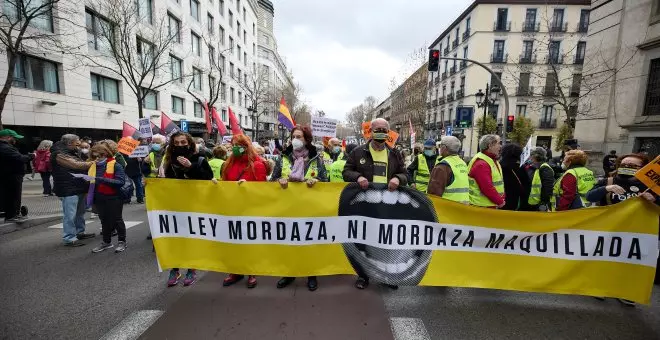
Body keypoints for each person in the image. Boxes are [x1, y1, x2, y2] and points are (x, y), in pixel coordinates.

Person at [343, 118, 407, 290]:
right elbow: (346, 172)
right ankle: (363, 276)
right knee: (364, 240)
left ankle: (387, 276)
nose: (381, 132)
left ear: (388, 133)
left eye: (384, 130)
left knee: (386, 240)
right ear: (370, 131)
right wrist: (358, 177)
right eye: (377, 129)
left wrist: (397, 178)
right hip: (365, 204)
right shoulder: (358, 152)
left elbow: (405, 175)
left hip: (387, 205)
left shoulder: (394, 153)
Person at [586, 153, 657, 306]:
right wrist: (606, 188)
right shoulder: (609, 180)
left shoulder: (650, 186)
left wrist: (654, 200)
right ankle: (600, 287)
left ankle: (625, 291)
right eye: (624, 165)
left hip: (637, 232)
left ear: (643, 168)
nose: (627, 168)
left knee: (629, 263)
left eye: (633, 166)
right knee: (604, 258)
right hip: (608, 230)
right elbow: (589, 196)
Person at [271, 126, 328, 291]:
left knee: (310, 243)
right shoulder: (283, 157)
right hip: (288, 209)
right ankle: (289, 273)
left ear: (307, 140)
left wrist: (316, 181)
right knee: (289, 242)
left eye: (299, 137)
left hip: (310, 209)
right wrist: (279, 181)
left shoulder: (316, 158)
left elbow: (325, 180)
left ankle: (311, 274)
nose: (295, 139)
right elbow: (273, 179)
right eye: (293, 136)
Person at [163, 132, 213, 287]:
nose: (179, 145)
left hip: (194, 206)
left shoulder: (199, 159)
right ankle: (175, 268)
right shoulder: (169, 161)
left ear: (189, 143)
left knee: (192, 237)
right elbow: (166, 183)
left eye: (183, 142)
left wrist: (190, 168)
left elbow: (207, 178)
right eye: (176, 143)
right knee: (175, 238)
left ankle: (192, 268)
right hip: (175, 205)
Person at [221, 134, 267, 289]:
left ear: (246, 147)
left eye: (238, 144)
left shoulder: (257, 165)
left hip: (250, 210)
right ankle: (235, 271)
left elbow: (263, 190)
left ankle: (251, 271)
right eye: (233, 144)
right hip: (232, 209)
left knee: (249, 242)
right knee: (234, 241)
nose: (235, 147)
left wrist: (248, 186)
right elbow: (224, 185)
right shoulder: (228, 164)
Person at [51, 134, 95, 246]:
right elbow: (76, 165)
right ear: (70, 143)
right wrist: (94, 162)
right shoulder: (59, 154)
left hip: (77, 186)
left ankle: (80, 232)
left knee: (80, 212)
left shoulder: (72, 152)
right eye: (77, 144)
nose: (79, 146)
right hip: (68, 188)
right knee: (70, 215)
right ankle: (69, 238)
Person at [87, 143, 128, 253]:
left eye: (99, 156)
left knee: (117, 219)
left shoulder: (115, 165)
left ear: (106, 154)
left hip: (114, 197)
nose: (97, 159)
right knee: (104, 220)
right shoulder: (92, 166)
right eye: (94, 157)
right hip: (99, 197)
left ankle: (122, 241)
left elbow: (120, 182)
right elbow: (91, 181)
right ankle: (106, 242)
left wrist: (102, 180)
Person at [0, 129, 35, 222]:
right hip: (11, 175)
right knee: (12, 195)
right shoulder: (5, 147)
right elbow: (19, 158)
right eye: (14, 138)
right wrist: (31, 156)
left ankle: (14, 214)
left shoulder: (7, 147)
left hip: (10, 175)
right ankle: (11, 216)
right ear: (7, 137)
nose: (15, 140)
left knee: (11, 195)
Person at [427, 136, 469, 204]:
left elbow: (433, 194)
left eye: (440, 146)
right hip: (463, 208)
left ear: (444, 148)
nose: (439, 148)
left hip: (447, 210)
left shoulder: (442, 167)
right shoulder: (463, 163)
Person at [467, 134, 505, 208]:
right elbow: (487, 187)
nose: (500, 146)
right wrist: (500, 201)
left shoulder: (490, 160)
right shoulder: (482, 163)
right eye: (498, 143)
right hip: (482, 206)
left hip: (488, 205)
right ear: (490, 145)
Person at [500, 143, 530, 211]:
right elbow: (526, 185)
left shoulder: (498, 165)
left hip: (500, 200)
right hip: (516, 201)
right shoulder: (520, 167)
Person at [525, 147, 554, 211]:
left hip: (539, 205)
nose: (530, 158)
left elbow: (547, 188)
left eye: (531, 156)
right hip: (533, 203)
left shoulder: (545, 168)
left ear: (536, 156)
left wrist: (543, 203)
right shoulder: (536, 167)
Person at [124, 138, 146, 204]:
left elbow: (143, 158)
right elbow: (125, 161)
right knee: (128, 185)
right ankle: (128, 199)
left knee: (138, 185)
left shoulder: (138, 149)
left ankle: (140, 198)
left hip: (136, 170)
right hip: (128, 170)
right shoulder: (125, 151)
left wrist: (140, 159)